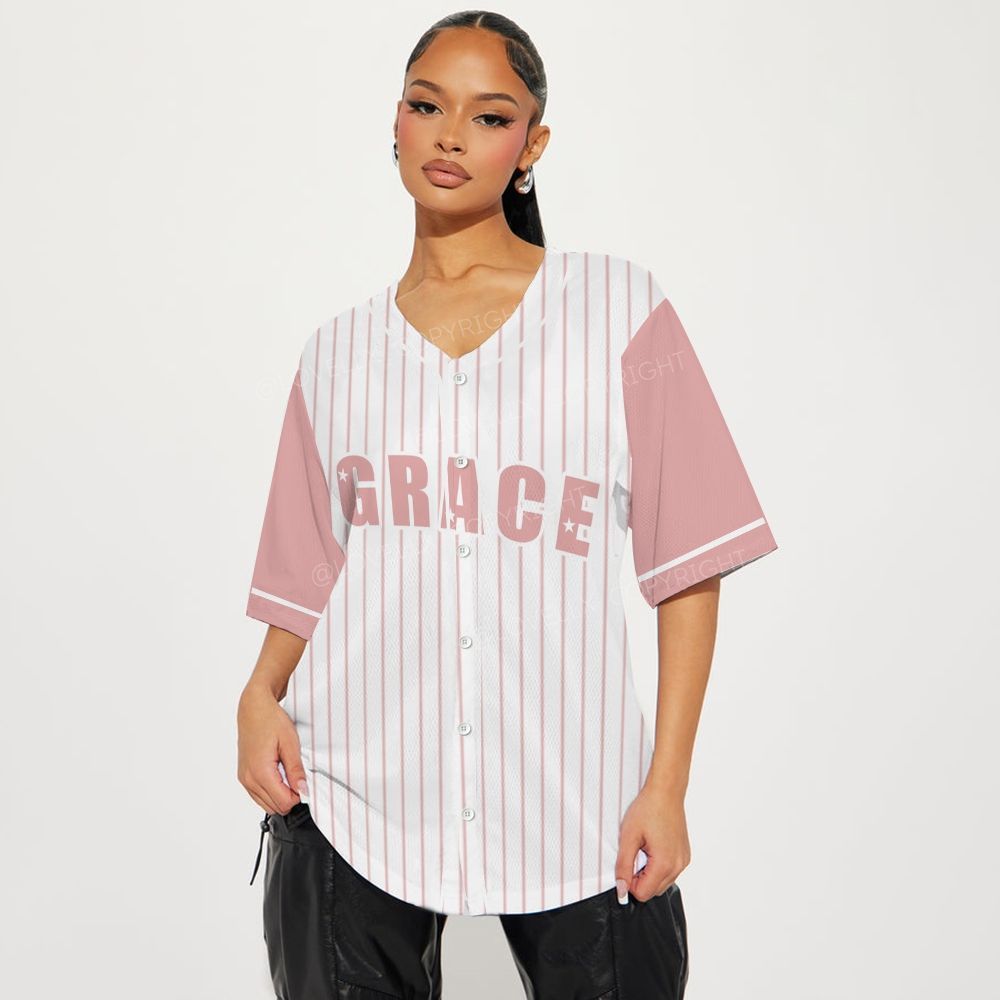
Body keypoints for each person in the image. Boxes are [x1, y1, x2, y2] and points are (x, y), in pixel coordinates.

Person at [237, 10, 777, 999]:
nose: (450, 135)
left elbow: (688, 565)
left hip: (580, 810)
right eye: (426, 105)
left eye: (489, 117)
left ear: (531, 146)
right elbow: (305, 565)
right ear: (394, 122)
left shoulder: (619, 311)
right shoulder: (336, 353)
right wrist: (258, 693)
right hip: (354, 796)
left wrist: (667, 784)